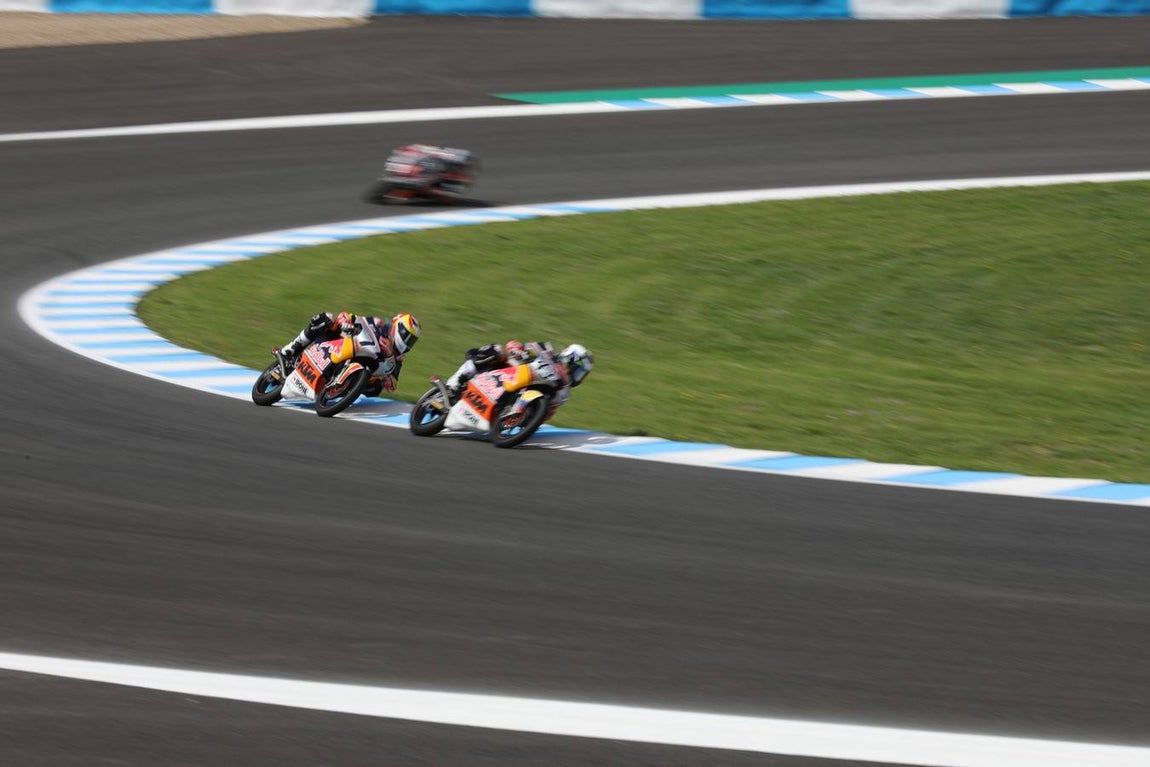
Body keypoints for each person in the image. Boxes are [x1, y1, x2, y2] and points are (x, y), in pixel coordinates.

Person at [278, 311, 421, 394]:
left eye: (411, 340)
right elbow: (354, 318)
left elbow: (393, 386)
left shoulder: (398, 359)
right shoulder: (379, 324)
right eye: (406, 335)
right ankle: (292, 348)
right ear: (397, 326)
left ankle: (343, 388)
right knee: (326, 318)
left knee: (376, 387)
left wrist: (386, 379)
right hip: (343, 344)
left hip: (362, 368)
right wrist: (346, 322)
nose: (408, 342)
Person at [445, 339, 593, 405]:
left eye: (582, 374)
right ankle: (455, 382)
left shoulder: (562, 390)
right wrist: (519, 350)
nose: (578, 376)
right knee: (497, 350)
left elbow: (548, 411)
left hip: (523, 389)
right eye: (578, 371)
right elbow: (522, 346)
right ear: (571, 359)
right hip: (511, 372)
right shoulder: (548, 351)